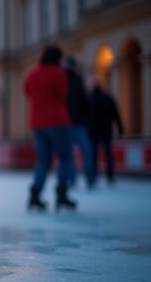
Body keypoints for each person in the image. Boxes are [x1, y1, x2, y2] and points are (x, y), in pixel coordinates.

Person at [23, 45, 76, 211]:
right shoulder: (59, 74)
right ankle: (61, 194)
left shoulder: (32, 75)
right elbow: (63, 95)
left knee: (43, 161)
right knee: (65, 158)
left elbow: (27, 92)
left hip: (37, 123)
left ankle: (35, 195)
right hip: (57, 121)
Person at [63, 57, 95, 187]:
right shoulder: (70, 81)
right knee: (82, 153)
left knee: (81, 153)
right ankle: (76, 179)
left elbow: (84, 102)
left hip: (75, 123)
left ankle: (84, 179)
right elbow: (85, 102)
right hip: (72, 123)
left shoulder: (75, 81)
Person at [88, 79, 123, 186]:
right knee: (108, 154)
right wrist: (120, 129)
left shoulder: (89, 99)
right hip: (106, 130)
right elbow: (116, 114)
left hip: (93, 131)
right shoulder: (107, 98)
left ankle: (93, 176)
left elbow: (85, 116)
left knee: (93, 155)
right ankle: (110, 175)